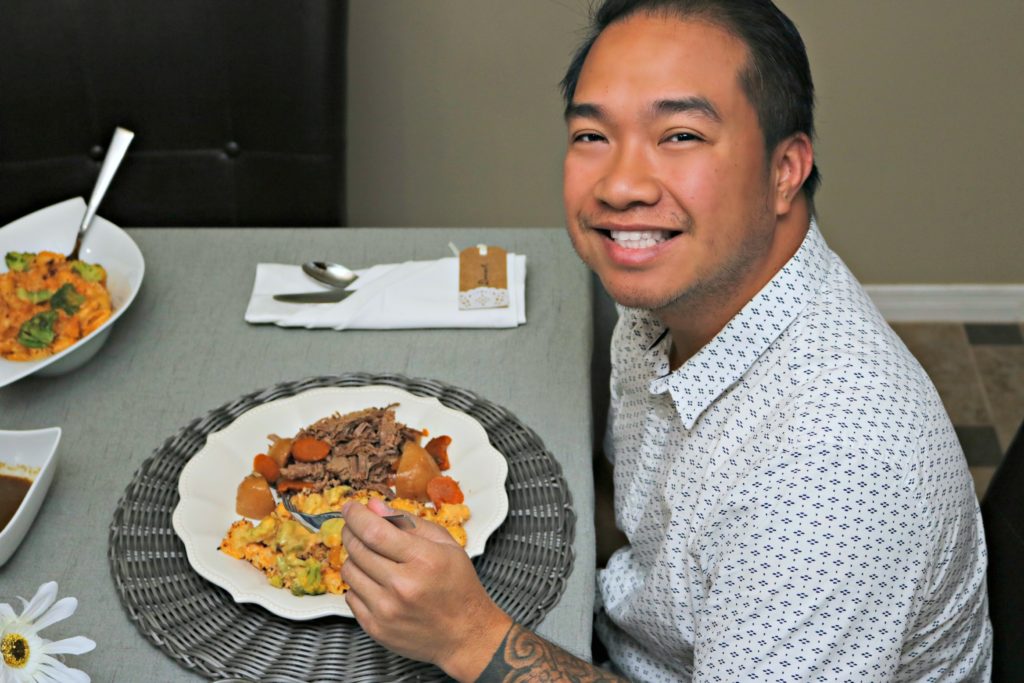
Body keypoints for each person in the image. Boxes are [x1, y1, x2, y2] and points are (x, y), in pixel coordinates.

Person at [340, 0, 993, 680]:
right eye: (592, 136)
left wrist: (469, 635)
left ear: (785, 169)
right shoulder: (675, 292)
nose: (620, 186)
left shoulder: (831, 466)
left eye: (680, 135)